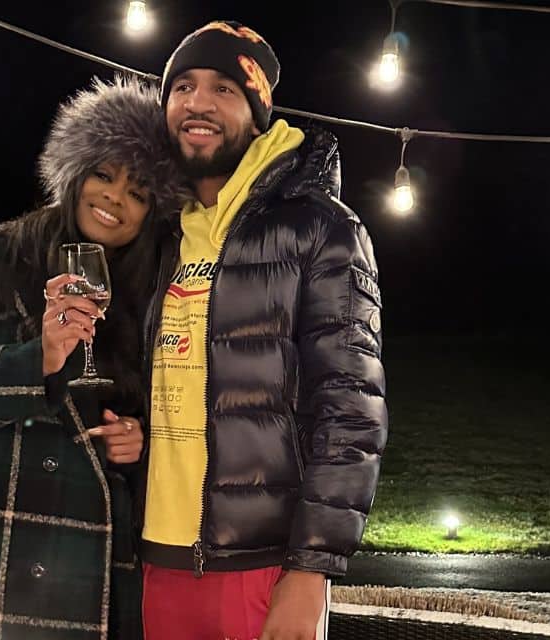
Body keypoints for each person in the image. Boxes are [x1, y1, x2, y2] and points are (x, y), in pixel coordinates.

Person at [0, 76, 187, 640]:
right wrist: (38, 360)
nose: (114, 199)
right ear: (75, 173)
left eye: (138, 192)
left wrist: (138, 439)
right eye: (104, 175)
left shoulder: (152, 294)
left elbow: (149, 415)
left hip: (93, 564)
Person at [139, 21, 389, 640]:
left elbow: (351, 411)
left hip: (263, 565)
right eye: (183, 87)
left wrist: (312, 569)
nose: (198, 103)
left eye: (224, 89)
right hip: (154, 557)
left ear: (256, 112)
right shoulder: (157, 229)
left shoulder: (322, 227)